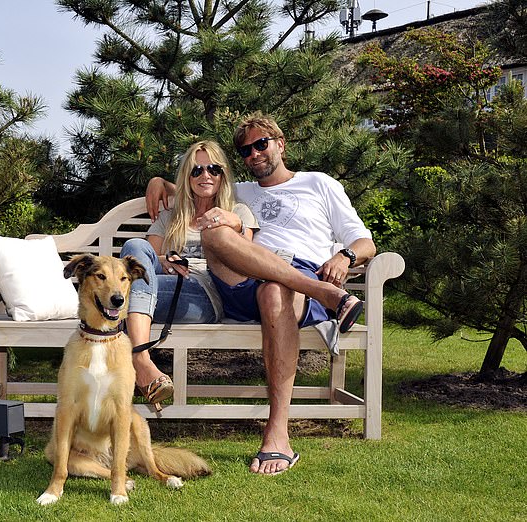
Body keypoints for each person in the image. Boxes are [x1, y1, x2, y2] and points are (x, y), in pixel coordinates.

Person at [146, 113, 376, 475]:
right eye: (245, 150)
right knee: (214, 233)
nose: (253, 153)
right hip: (241, 283)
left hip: (294, 278)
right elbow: (198, 185)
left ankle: (277, 434)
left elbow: (365, 242)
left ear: (280, 144)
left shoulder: (318, 183)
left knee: (273, 291)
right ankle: (328, 295)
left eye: (260, 144)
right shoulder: (240, 192)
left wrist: (345, 257)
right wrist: (159, 181)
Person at [120, 140, 258, 411]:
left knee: (118, 296)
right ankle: (143, 360)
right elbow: (146, 261)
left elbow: (245, 259)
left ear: (223, 175)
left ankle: (138, 362)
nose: (205, 175)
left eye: (212, 169)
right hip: (160, 285)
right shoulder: (171, 216)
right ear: (187, 177)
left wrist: (235, 225)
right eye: (196, 170)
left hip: (207, 292)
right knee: (134, 246)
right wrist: (166, 261)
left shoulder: (237, 213)